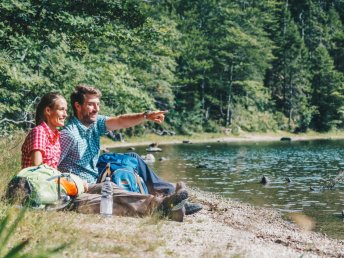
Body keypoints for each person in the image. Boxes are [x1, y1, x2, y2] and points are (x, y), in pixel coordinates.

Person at [58, 84, 202, 215]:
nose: (96, 109)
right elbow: (51, 167)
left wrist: (145, 116)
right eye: (91, 104)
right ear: (77, 106)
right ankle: (166, 204)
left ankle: (170, 194)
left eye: (98, 104)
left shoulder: (95, 123)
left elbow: (120, 120)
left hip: (95, 171)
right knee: (116, 190)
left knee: (132, 158)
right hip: (84, 184)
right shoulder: (69, 134)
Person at [21, 92, 68, 169]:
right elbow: (37, 168)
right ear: (48, 111)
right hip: (35, 180)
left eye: (66, 110)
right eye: (61, 109)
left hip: (49, 179)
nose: (65, 114)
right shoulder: (39, 132)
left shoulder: (56, 136)